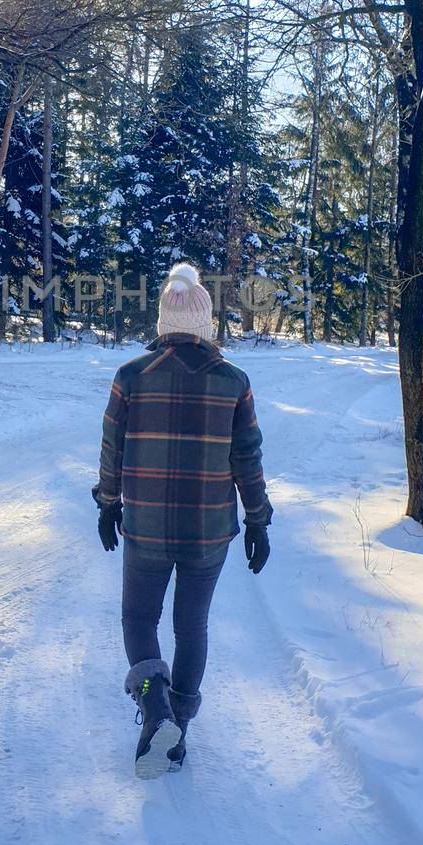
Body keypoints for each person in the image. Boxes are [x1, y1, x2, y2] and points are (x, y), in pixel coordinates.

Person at [93, 262, 272, 777]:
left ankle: (155, 709)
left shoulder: (130, 377)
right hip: (209, 529)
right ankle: (177, 734)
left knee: (138, 619)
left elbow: (112, 451)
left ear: (163, 321)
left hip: (146, 526)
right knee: (191, 625)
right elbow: (248, 460)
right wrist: (258, 521)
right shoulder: (234, 382)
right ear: (205, 323)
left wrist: (109, 503)